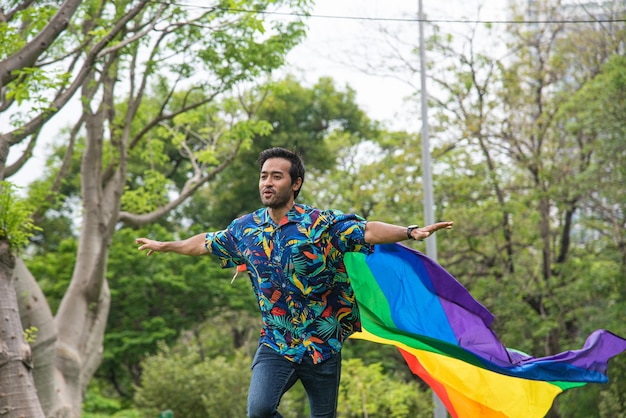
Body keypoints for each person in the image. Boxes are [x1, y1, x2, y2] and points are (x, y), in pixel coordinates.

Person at [136, 147, 453, 418]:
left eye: (277, 176)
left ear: (295, 183)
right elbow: (206, 242)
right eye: (264, 176)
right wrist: (167, 246)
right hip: (276, 342)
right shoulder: (245, 229)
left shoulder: (320, 224)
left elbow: (367, 231)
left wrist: (409, 232)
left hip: (323, 345)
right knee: (258, 411)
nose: (268, 183)